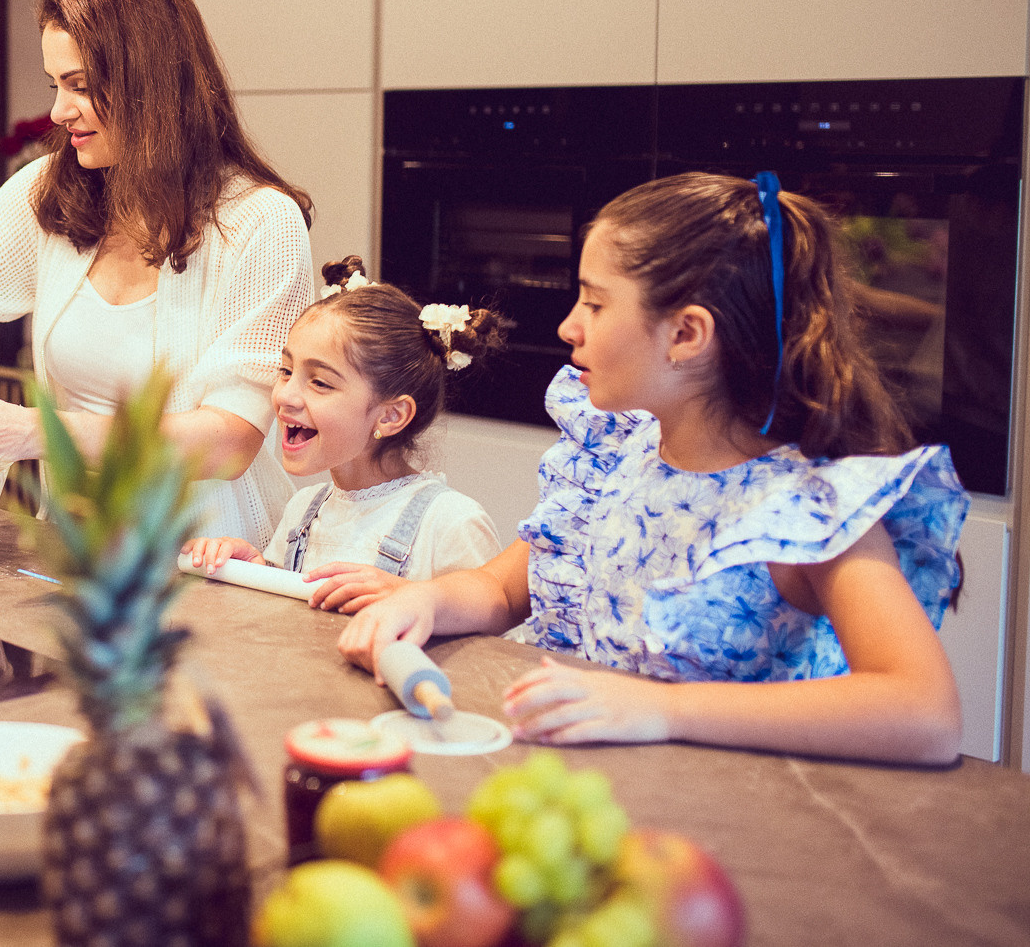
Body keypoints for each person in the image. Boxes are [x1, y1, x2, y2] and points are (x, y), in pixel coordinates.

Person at [341, 172, 969, 766]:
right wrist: (424, 600)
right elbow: (505, 589)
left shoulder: (809, 508)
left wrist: (662, 709)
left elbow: (923, 713)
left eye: (594, 303)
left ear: (687, 335)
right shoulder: (619, 452)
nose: (568, 326)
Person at [0, 0, 316, 543]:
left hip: (212, 562)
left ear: (152, 83)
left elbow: (229, 442)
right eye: (55, 85)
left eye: (80, 86)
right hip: (76, 554)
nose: (59, 112)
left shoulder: (260, 223)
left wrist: (38, 431)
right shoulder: (48, 192)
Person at [183, 258, 506, 607]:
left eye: (320, 382)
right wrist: (258, 571)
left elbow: (489, 655)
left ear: (391, 416)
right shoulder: (302, 509)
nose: (285, 396)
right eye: (286, 370)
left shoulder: (451, 524)